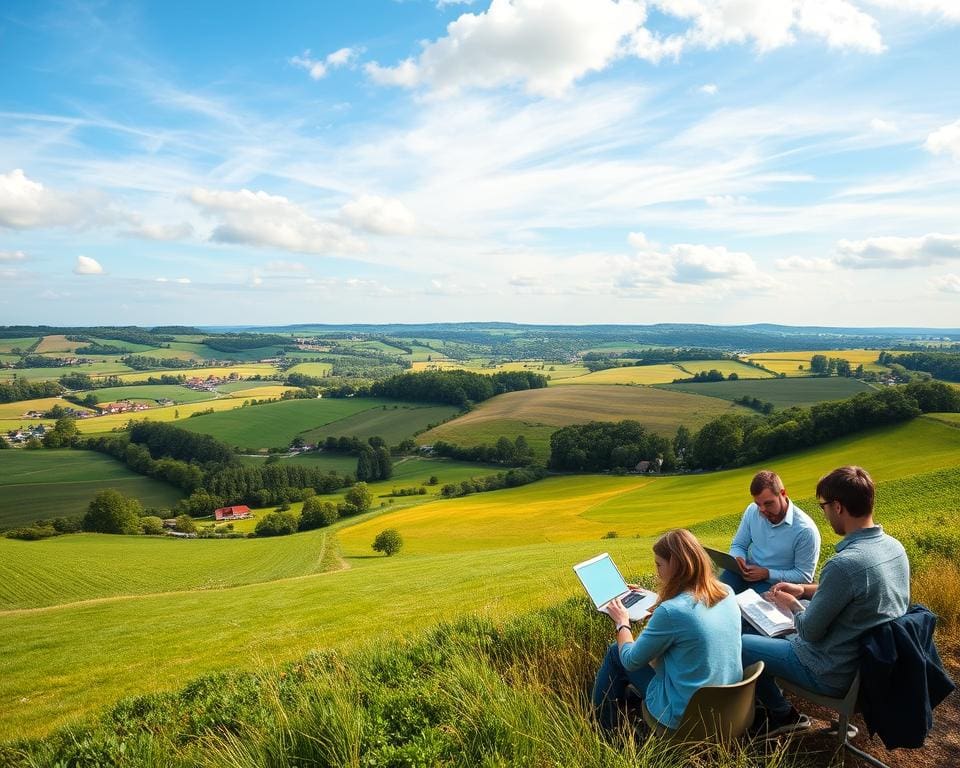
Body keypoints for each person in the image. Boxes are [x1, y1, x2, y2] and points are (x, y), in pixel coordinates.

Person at [742, 466, 910, 736]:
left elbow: (808, 632)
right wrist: (802, 589)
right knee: (774, 628)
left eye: (824, 507)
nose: (825, 513)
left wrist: (790, 604)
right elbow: (854, 589)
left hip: (829, 670)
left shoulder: (844, 564)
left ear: (838, 507)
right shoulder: (894, 548)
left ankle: (782, 714)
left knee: (742, 644)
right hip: (869, 665)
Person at [593, 529, 743, 731]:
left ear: (676, 565)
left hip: (684, 715)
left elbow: (630, 660)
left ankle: (603, 728)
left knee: (615, 653)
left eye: (659, 565)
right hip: (728, 708)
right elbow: (689, 611)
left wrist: (622, 622)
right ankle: (626, 705)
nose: (657, 572)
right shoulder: (726, 592)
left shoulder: (671, 612)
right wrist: (656, 600)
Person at [719, 470, 820, 595]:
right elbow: (738, 545)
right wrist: (738, 558)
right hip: (744, 572)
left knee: (750, 605)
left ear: (783, 493)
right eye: (758, 504)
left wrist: (767, 573)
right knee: (714, 595)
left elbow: (804, 576)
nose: (762, 510)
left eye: (768, 503)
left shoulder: (805, 530)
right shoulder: (752, 510)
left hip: (773, 583)